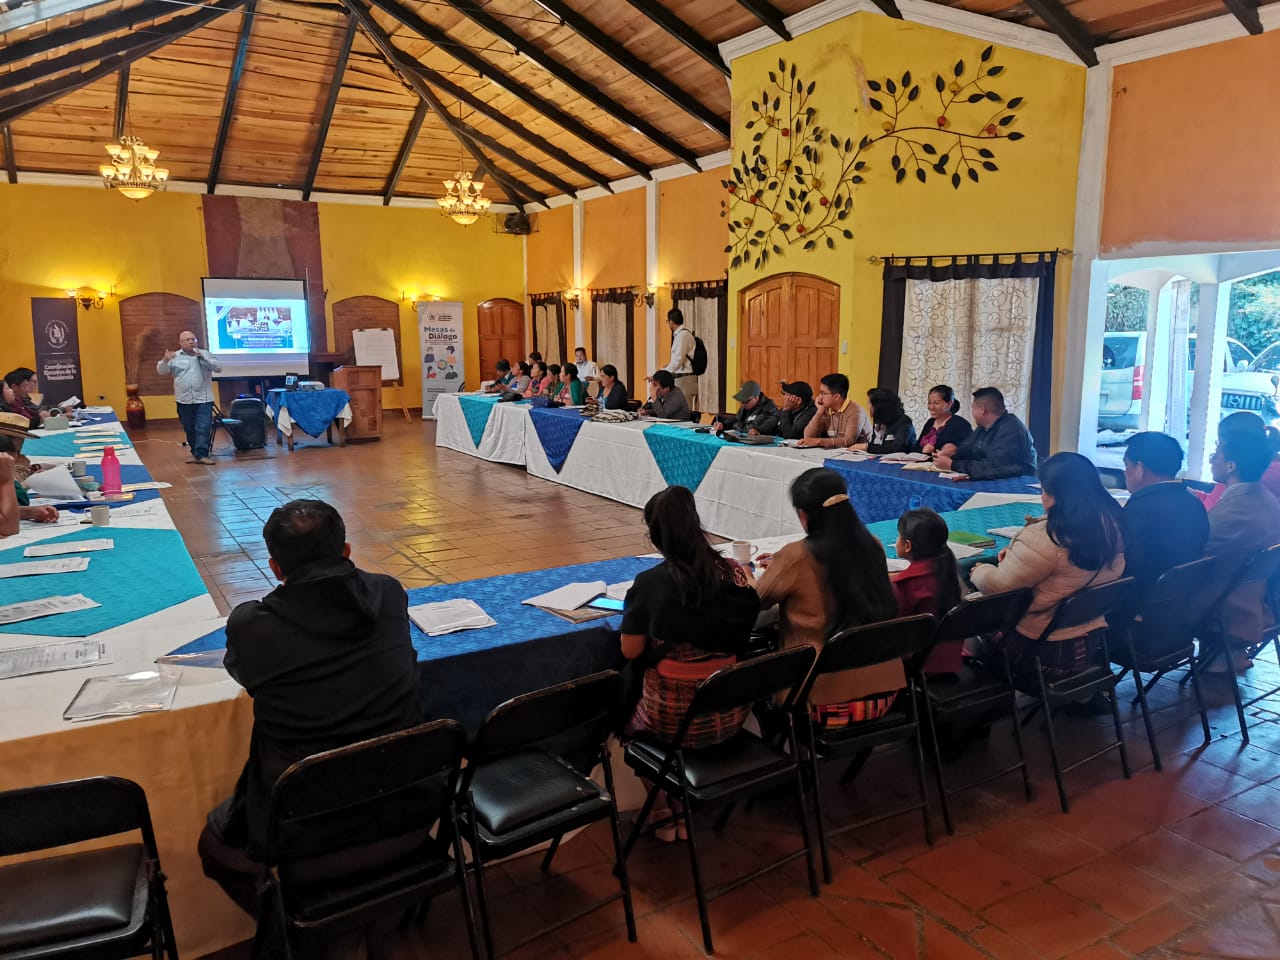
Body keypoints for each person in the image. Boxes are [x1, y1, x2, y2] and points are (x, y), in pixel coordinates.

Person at [198, 499, 423, 913]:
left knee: (212, 848)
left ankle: (293, 927)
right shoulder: (389, 593)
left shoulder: (252, 624)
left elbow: (244, 673)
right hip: (409, 807)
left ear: (275, 568)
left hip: (303, 832)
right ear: (346, 550)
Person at [749, 468, 901, 727]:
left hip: (824, 701)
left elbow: (754, 602)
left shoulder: (797, 555)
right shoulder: (873, 545)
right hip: (886, 693)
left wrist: (746, 573)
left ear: (803, 515)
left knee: (753, 680)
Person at [621, 486, 760, 747]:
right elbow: (752, 596)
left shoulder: (649, 584)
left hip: (670, 720)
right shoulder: (728, 571)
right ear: (696, 527)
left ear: (654, 537)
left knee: (618, 701)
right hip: (731, 714)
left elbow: (630, 650)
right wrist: (747, 573)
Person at [969, 452, 1126, 682]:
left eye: (1043, 490)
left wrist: (979, 571)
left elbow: (998, 588)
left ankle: (980, 695)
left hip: (1040, 652)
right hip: (1090, 646)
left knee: (964, 613)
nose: (1042, 497)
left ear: (1057, 495)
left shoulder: (1048, 536)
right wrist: (1016, 557)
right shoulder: (1112, 524)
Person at [1204, 430, 1280, 670]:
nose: (1211, 461)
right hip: (1259, 597)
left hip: (1225, 604)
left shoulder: (1235, 509)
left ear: (1231, 465)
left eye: (1215, 456)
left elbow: (1196, 554)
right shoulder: (1265, 498)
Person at [1121, 432, 1209, 590]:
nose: (1125, 473)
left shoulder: (1140, 508)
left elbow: (1124, 562)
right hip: (1181, 595)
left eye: (1127, 466)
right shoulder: (1194, 503)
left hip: (1140, 597)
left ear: (1140, 469)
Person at [933, 387, 1036, 480]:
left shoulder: (1011, 429)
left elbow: (995, 467)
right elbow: (968, 450)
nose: (972, 412)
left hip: (1019, 483)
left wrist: (953, 465)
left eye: (973, 407)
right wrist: (952, 453)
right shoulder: (983, 427)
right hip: (991, 479)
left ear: (982, 409)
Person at [157, 330, 222, 465]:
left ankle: (202, 455)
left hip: (204, 399)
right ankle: (195, 453)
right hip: (184, 399)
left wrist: (203, 358)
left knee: (203, 427)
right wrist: (165, 360)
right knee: (189, 427)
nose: (191, 342)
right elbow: (161, 371)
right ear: (181, 342)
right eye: (187, 340)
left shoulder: (204, 353)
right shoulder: (174, 356)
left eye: (193, 339)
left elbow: (218, 368)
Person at [1193, 412, 1280, 509]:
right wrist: (1187, 492)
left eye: (1220, 442)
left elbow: (1212, 510)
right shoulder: (1257, 467)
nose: (1217, 448)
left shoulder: (1249, 474)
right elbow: (1213, 501)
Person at [798, 373, 870, 449]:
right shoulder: (826, 409)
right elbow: (808, 436)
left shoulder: (855, 411)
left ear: (836, 396)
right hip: (839, 453)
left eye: (823, 393)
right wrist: (819, 412)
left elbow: (848, 441)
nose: (820, 397)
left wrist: (820, 441)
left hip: (860, 454)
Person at [913, 384, 972, 455]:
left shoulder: (960, 424)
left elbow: (969, 451)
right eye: (929, 403)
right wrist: (923, 450)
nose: (931, 407)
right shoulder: (930, 422)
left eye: (936, 403)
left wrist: (941, 451)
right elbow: (916, 447)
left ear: (949, 404)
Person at [854, 388, 916, 454]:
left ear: (880, 406)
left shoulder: (904, 421)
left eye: (869, 403)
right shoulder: (879, 421)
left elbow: (897, 448)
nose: (868, 406)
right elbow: (876, 445)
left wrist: (867, 447)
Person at [663, 308, 699, 412]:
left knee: (683, 411)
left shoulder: (682, 336)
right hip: (682, 378)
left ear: (671, 321)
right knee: (678, 410)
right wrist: (668, 366)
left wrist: (662, 373)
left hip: (684, 379)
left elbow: (678, 361)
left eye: (667, 321)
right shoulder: (680, 335)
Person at [712, 380, 778, 435]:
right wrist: (723, 425)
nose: (742, 404)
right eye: (741, 401)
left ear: (756, 398)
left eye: (745, 401)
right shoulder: (746, 406)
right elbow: (736, 419)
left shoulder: (769, 408)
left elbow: (752, 428)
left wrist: (735, 425)